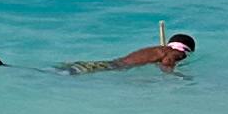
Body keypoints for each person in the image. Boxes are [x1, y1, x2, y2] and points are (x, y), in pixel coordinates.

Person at [63, 28, 196, 72]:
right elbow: (168, 61)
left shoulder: (161, 49)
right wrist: (172, 74)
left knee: (75, 68)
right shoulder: (178, 53)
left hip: (115, 63)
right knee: (73, 72)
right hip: (118, 66)